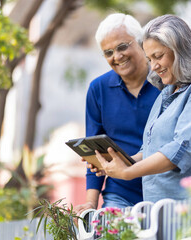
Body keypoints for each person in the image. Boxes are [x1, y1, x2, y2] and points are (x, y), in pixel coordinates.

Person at [93, 14, 191, 203]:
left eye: (158, 56)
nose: (153, 66)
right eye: (149, 59)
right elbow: (149, 149)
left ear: (180, 50)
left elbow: (181, 150)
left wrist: (129, 172)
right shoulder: (166, 94)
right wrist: (120, 162)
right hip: (167, 211)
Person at [73, 13, 160, 213]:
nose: (117, 57)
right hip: (120, 193)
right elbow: (94, 152)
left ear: (140, 43)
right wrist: (90, 203)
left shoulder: (166, 81)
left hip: (164, 189)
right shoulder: (98, 89)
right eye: (108, 52)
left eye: (122, 47)